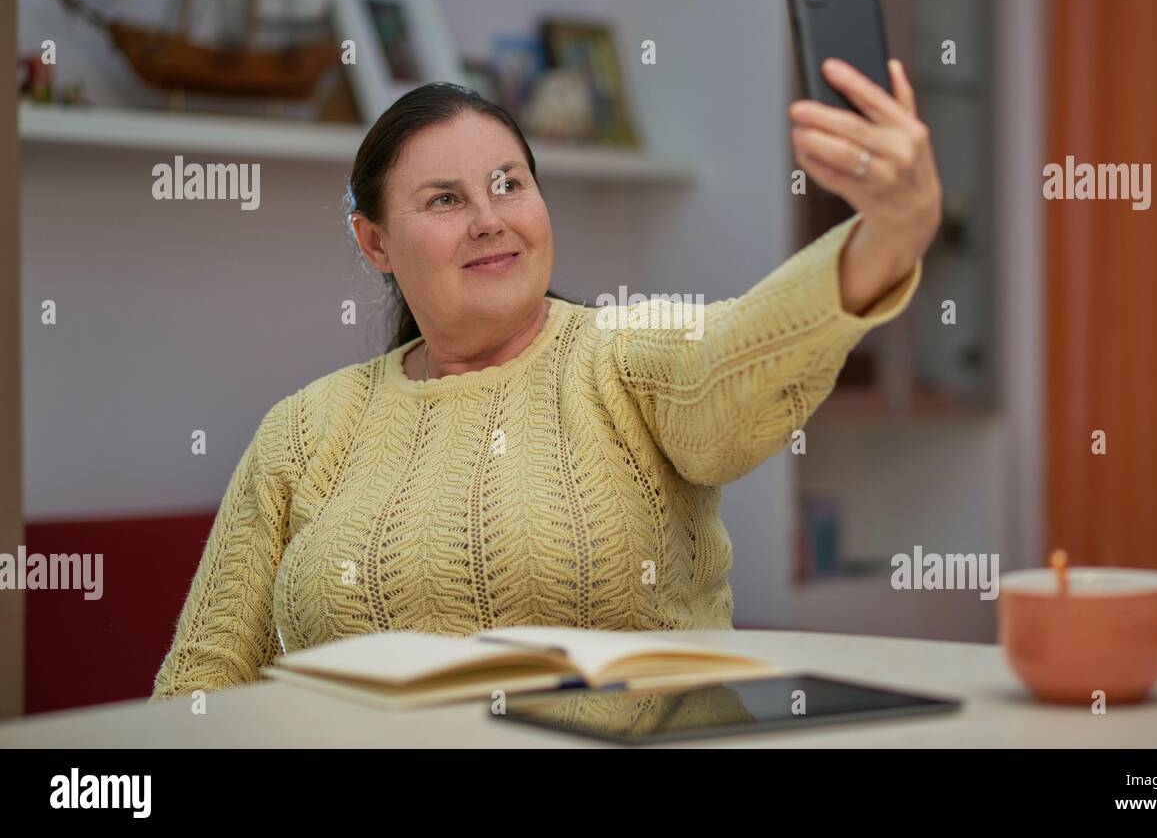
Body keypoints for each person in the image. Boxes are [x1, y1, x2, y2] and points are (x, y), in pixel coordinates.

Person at [149, 57, 941, 701]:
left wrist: (888, 236)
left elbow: (742, 349)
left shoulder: (623, 353)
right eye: (445, 199)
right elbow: (198, 689)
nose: (489, 218)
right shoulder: (303, 429)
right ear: (375, 241)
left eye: (508, 183)